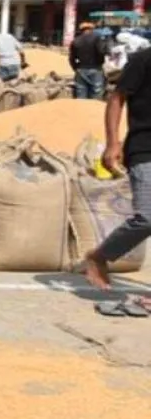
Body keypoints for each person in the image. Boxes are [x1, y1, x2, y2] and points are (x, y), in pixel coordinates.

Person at [84, 46, 151, 299]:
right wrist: (113, 143)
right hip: (145, 147)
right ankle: (100, 256)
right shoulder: (143, 59)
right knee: (148, 216)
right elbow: (116, 99)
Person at [69, 22, 108, 100]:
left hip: (81, 69)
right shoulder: (97, 38)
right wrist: (101, 62)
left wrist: (76, 67)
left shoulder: (76, 40)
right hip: (95, 68)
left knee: (80, 95)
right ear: (92, 29)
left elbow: (71, 58)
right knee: (96, 94)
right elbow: (101, 52)